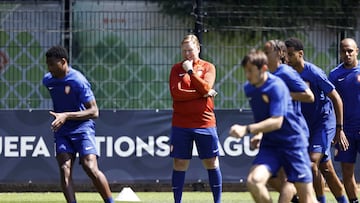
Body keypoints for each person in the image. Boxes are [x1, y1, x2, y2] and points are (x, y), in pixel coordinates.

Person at [229, 49, 318, 203]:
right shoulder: (249, 88)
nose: (247, 75)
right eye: (245, 71)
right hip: (271, 146)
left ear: (263, 68)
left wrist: (248, 129)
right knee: (254, 182)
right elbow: (263, 116)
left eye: (251, 71)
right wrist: (259, 134)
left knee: (307, 199)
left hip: (293, 144)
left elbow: (277, 121)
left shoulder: (277, 86)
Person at [42, 45, 114, 203]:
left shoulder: (78, 81)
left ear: (63, 61)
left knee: (90, 167)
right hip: (62, 131)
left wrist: (66, 115)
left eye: (52, 64)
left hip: (82, 129)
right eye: (47, 64)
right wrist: (62, 117)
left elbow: (94, 111)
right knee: (64, 170)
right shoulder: (48, 80)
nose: (49, 68)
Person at [285, 37, 349, 203]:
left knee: (312, 163)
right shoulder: (287, 73)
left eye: (291, 55)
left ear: (300, 54)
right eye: (286, 55)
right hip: (304, 126)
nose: (287, 59)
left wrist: (339, 128)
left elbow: (336, 98)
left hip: (323, 122)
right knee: (325, 168)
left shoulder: (313, 73)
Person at [168, 34, 222, 203]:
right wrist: (201, 94)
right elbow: (176, 94)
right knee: (179, 163)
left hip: (204, 122)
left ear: (198, 48)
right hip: (181, 123)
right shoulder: (176, 69)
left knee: (211, 162)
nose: (187, 54)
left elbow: (206, 86)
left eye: (190, 50)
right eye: (184, 51)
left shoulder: (208, 67)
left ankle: (217, 201)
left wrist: (190, 72)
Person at [262, 39, 315, 203]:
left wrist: (284, 94)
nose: (263, 56)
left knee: (291, 183)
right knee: (272, 177)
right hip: (279, 134)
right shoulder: (269, 76)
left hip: (294, 134)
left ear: (279, 54)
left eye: (266, 52)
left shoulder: (286, 72)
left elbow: (309, 96)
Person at [329, 38, 360, 203]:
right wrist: (337, 130)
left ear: (357, 51)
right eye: (344, 51)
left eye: (350, 51)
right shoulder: (334, 75)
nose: (347, 54)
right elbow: (331, 104)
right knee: (347, 171)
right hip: (345, 132)